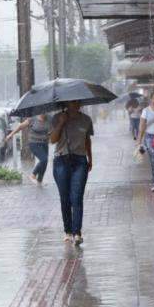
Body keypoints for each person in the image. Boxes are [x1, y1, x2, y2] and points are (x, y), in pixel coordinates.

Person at [50, 100, 93, 246]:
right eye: (72, 102)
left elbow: (87, 140)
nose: (75, 104)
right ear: (66, 103)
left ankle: (77, 232)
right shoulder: (56, 118)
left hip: (80, 161)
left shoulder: (86, 120)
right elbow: (52, 140)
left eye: (77, 102)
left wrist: (90, 158)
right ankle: (68, 231)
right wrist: (61, 123)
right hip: (61, 160)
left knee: (77, 197)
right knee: (65, 198)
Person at [5, 114, 51, 184]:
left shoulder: (49, 119)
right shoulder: (33, 119)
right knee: (44, 159)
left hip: (44, 143)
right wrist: (11, 134)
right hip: (34, 143)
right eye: (42, 111)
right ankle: (33, 175)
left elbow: (53, 128)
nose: (44, 113)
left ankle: (39, 181)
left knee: (44, 162)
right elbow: (20, 127)